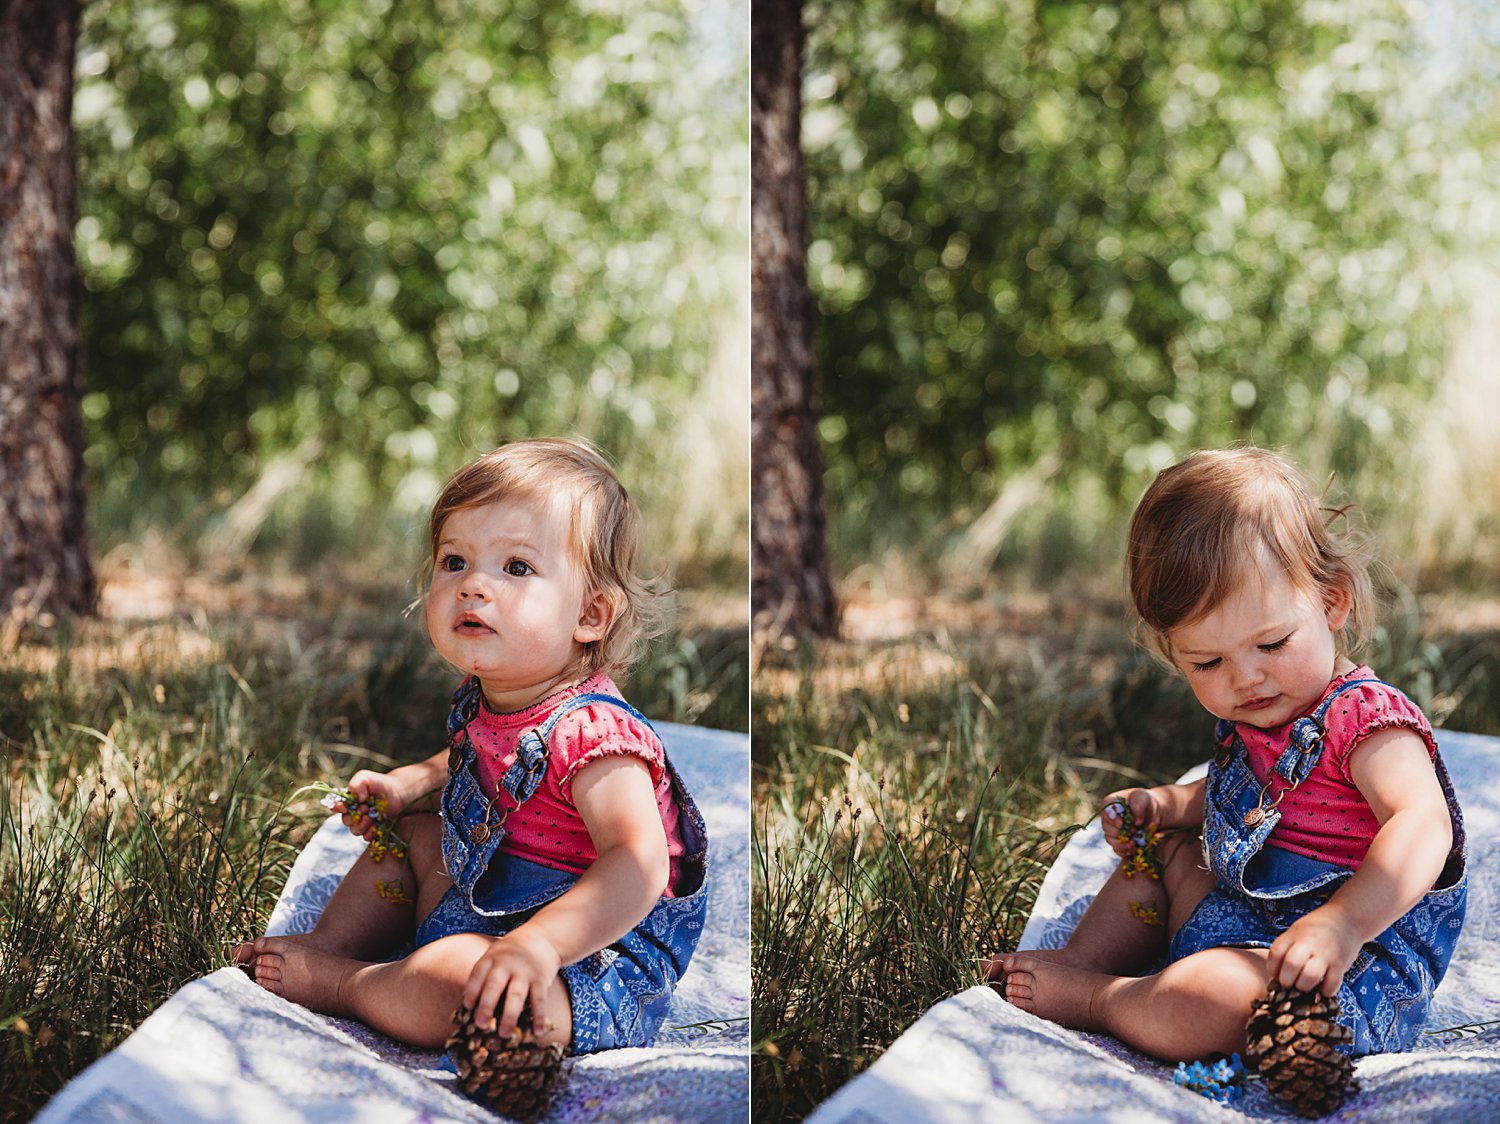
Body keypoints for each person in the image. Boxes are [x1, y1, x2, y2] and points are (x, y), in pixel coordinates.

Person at [985, 447, 1466, 1061]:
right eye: (1207, 663)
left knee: (1220, 996)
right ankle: (1082, 959)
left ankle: (1100, 998)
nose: (1246, 679)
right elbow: (1246, 798)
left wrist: (1341, 924)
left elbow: (1424, 824)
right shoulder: (1259, 716)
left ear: (1331, 602)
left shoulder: (1363, 719)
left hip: (1334, 971)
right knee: (1163, 857)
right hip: (1241, 917)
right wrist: (1163, 806)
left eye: (1271, 643)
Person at [234, 438, 708, 1057]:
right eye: (454, 560)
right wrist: (412, 783)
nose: (472, 585)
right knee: (410, 836)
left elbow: (636, 861)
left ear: (590, 614)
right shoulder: (486, 695)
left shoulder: (592, 733)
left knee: (460, 981)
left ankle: (348, 985)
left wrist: (539, 947)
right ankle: (331, 943)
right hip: (485, 899)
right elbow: (475, 759)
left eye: (515, 568)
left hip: (584, 957)